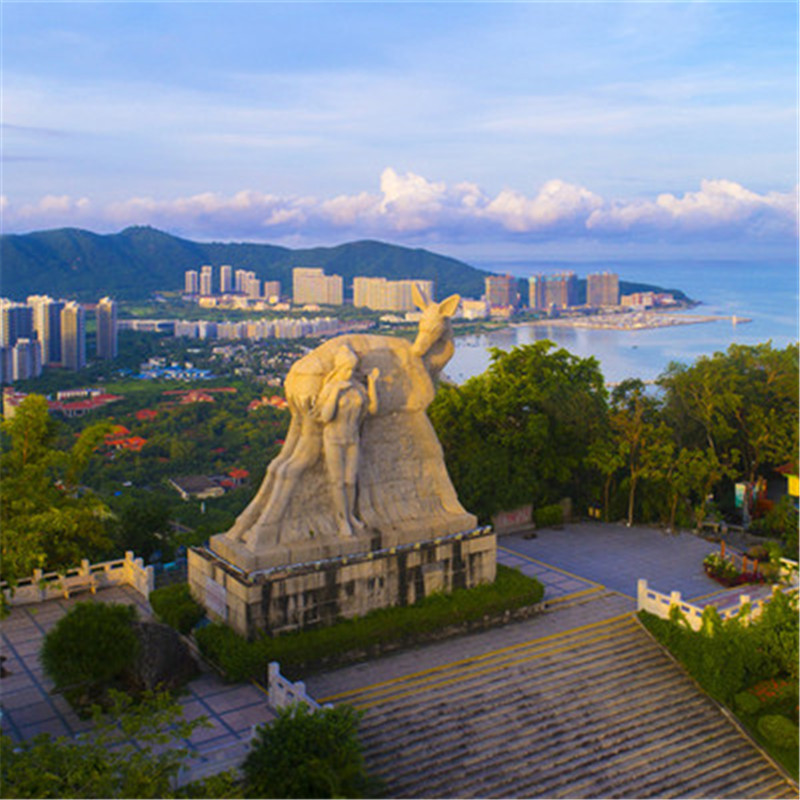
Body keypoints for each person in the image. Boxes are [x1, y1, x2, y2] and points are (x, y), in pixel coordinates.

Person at [314, 345, 379, 537]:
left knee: (351, 481)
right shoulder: (330, 388)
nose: (349, 373)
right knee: (337, 482)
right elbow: (325, 417)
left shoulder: (357, 389)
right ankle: (341, 519)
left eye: (352, 369)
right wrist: (335, 392)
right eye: (346, 369)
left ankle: (350, 516)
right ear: (339, 368)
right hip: (334, 438)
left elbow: (372, 410)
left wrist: (372, 384)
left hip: (352, 438)